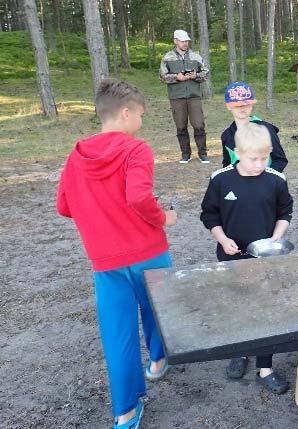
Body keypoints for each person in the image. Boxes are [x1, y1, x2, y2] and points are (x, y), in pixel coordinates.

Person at [56, 79, 178, 429]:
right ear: (125, 112)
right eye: (140, 114)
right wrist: (164, 217)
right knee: (156, 312)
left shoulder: (76, 155)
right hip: (149, 252)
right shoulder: (136, 149)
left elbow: (64, 205)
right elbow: (139, 197)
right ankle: (157, 362)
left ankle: (124, 413)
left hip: (105, 261)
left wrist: (97, 214)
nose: (141, 122)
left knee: (118, 335)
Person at [200, 123, 294, 394]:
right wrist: (221, 238)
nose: (259, 164)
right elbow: (209, 215)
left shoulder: (276, 179)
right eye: (254, 158)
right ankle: (239, 353)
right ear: (236, 152)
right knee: (236, 306)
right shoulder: (220, 179)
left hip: (266, 260)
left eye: (264, 158)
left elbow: (285, 211)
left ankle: (265, 367)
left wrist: (277, 237)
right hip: (232, 258)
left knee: (267, 310)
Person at [160, 29, 210, 164]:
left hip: (194, 96)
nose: (185, 43)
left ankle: (203, 153)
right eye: (182, 41)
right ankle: (185, 154)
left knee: (199, 124)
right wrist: (177, 77)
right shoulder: (167, 57)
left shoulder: (196, 56)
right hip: (176, 97)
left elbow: (206, 73)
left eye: (186, 41)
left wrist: (196, 76)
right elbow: (162, 77)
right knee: (181, 126)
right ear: (175, 41)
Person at [220, 82, 288, 171]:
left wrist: (266, 179)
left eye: (246, 104)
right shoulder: (227, 135)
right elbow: (227, 164)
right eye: (237, 105)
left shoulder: (265, 129)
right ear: (228, 106)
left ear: (252, 104)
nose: (242, 107)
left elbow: (280, 160)